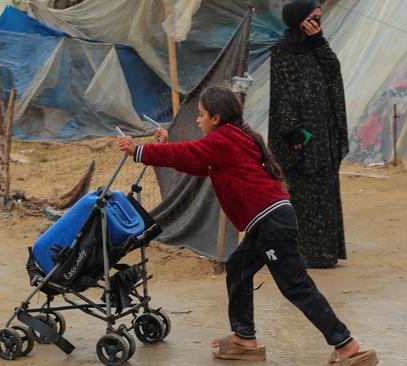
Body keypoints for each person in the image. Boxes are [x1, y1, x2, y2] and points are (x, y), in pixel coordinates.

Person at [116, 86, 377, 365]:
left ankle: (347, 345)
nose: (197, 120)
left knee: (295, 285)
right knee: (238, 267)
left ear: (216, 118)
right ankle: (244, 338)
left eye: (201, 114)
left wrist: (139, 151)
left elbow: (190, 153)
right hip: (268, 220)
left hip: (270, 221)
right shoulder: (233, 137)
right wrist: (162, 147)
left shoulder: (224, 141)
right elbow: (196, 161)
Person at [268, 0, 349, 268]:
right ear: (298, 20)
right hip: (301, 138)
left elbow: (333, 72)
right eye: (313, 19)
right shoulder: (283, 51)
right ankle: (299, 254)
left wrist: (319, 42)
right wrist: (293, 134)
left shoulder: (317, 47)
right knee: (302, 196)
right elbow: (282, 95)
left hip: (324, 136)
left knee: (325, 194)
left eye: (320, 19)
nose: (318, 24)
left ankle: (325, 254)